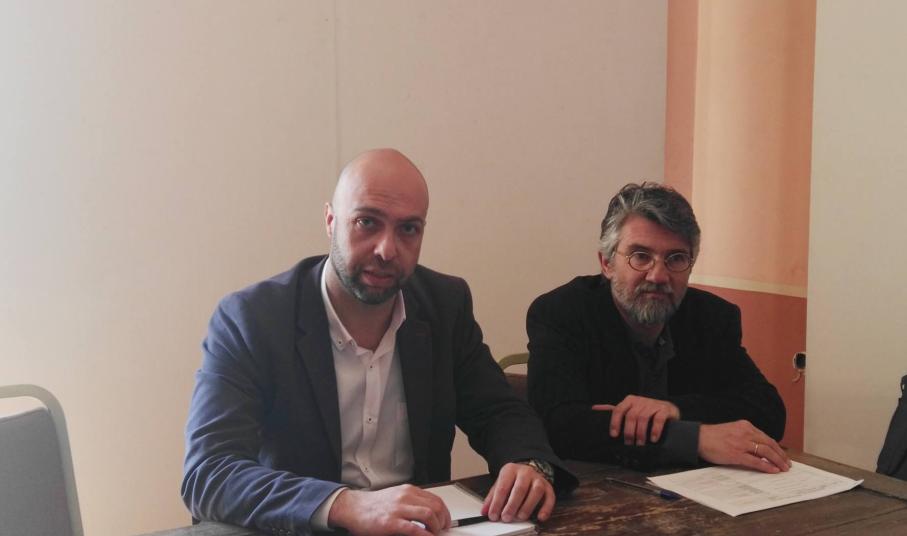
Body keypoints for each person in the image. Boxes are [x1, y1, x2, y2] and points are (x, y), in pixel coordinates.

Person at [182, 149, 577, 536]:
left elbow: (497, 411)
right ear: (331, 221)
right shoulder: (253, 318)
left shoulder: (444, 305)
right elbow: (209, 471)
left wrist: (528, 463)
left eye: (408, 229)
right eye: (367, 222)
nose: (387, 249)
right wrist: (345, 504)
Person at [526, 182, 790, 474]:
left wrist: (674, 409)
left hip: (695, 490)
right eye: (640, 256)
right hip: (599, 487)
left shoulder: (713, 317)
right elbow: (558, 426)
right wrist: (695, 438)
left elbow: (768, 411)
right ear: (607, 263)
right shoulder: (562, 312)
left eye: (676, 258)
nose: (658, 275)